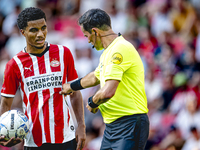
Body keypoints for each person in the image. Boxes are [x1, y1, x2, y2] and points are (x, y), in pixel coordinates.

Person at [60, 8, 149, 150]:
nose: (88, 40)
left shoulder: (120, 48)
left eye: (86, 35)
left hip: (130, 123)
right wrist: (71, 86)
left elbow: (108, 91)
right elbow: (95, 76)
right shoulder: (108, 52)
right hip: (111, 127)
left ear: (95, 32)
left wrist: (92, 102)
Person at [0, 7, 86, 150]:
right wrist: (4, 132)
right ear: (23, 32)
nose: (41, 34)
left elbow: (75, 93)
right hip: (34, 140)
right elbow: (5, 103)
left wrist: (81, 126)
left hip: (66, 136)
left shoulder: (63, 53)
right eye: (34, 30)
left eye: (43, 28)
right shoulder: (14, 64)